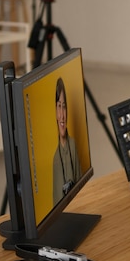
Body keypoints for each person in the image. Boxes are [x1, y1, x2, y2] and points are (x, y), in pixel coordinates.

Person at [53, 77, 81, 206]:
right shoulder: (56, 159)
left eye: (64, 107)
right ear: (55, 111)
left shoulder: (73, 145)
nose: (62, 115)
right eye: (59, 106)